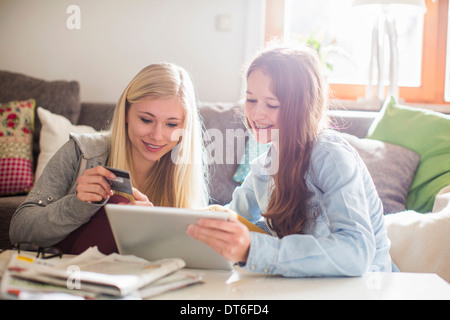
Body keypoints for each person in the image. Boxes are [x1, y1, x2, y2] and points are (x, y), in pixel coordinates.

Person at [187, 45, 394, 277]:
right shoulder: (263, 168)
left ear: (302, 107)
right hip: (309, 288)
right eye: (251, 100)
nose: (256, 114)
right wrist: (161, 218)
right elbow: (229, 217)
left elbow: (356, 254)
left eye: (272, 104)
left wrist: (254, 250)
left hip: (367, 287)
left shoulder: (330, 156)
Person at [10, 63, 209, 254]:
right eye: (146, 120)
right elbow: (19, 232)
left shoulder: (184, 173)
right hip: (71, 275)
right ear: (126, 113)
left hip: (137, 281)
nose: (157, 136)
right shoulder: (82, 152)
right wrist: (77, 205)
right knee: (116, 201)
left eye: (171, 124)